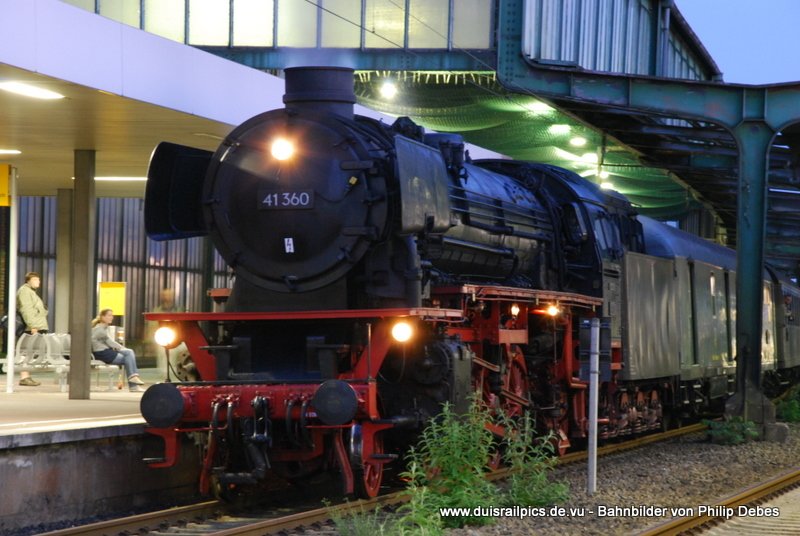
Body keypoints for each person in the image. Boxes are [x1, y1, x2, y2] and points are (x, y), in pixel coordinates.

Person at [91, 308, 145, 392]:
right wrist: (123, 348)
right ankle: (133, 383)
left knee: (129, 356)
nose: (112, 317)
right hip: (102, 353)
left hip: (106, 351)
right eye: (109, 315)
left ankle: (133, 381)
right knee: (129, 354)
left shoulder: (104, 328)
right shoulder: (100, 329)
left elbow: (110, 343)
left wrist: (123, 348)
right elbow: (111, 343)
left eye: (112, 315)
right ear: (102, 317)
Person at [16, 271, 48, 387]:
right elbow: (26, 309)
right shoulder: (25, 291)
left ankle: (27, 376)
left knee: (31, 352)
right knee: (26, 352)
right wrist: (33, 325)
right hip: (32, 327)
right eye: (34, 280)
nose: (38, 282)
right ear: (28, 281)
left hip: (37, 325)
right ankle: (24, 377)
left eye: (38, 280)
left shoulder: (32, 292)